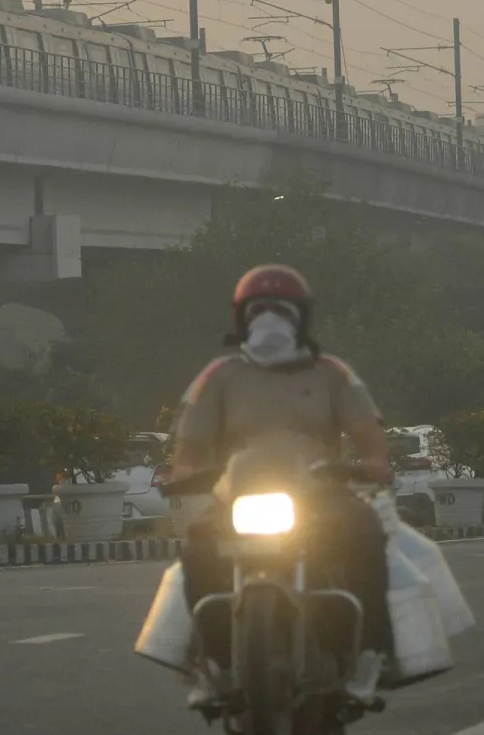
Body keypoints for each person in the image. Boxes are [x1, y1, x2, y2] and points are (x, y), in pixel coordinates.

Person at [168, 264, 394, 708]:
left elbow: (370, 436)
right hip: (238, 495)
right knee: (197, 546)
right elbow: (189, 445)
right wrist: (182, 471)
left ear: (301, 319)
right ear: (242, 319)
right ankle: (215, 662)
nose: (269, 318)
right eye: (259, 309)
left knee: (365, 531)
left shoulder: (333, 373)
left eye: (281, 309)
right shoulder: (219, 375)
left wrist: (375, 463)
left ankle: (369, 653)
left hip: (319, 492)